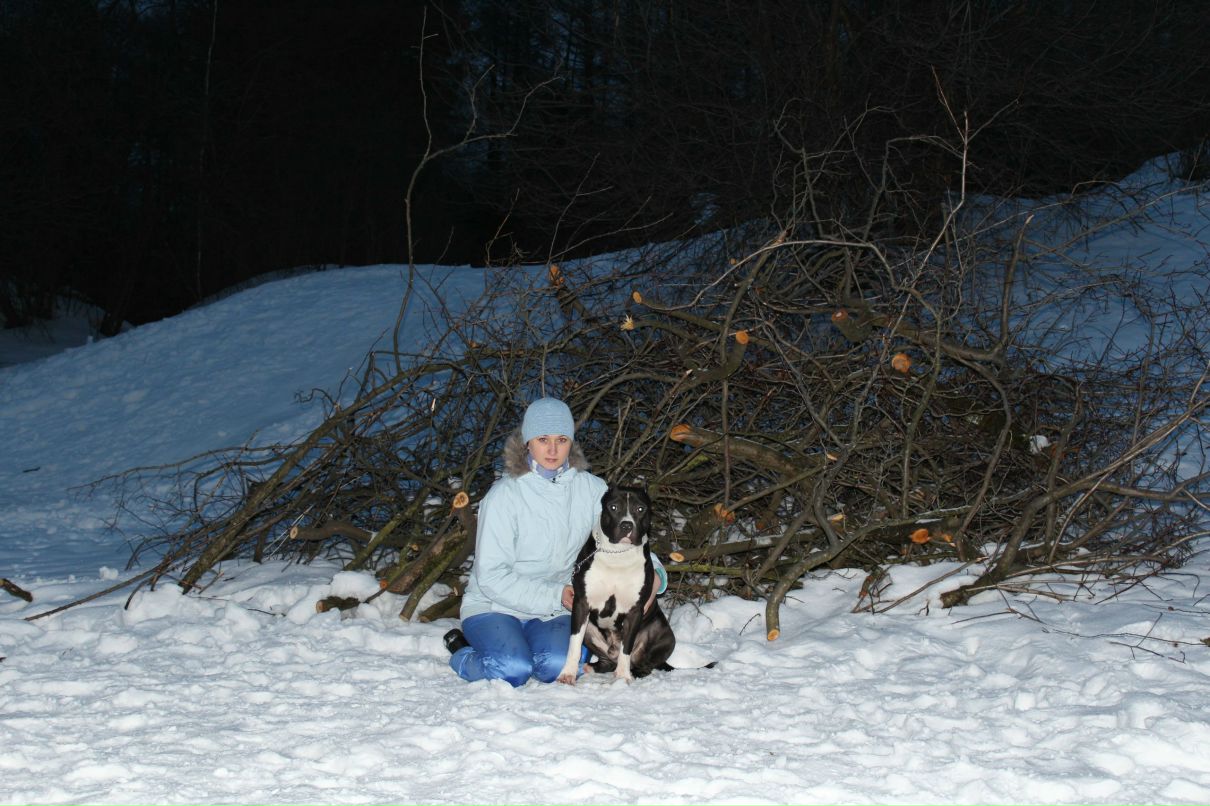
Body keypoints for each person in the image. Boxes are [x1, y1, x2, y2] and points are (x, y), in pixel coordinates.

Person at [443, 397, 666, 686]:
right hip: (493, 606)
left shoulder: (592, 490)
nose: (552, 449)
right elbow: (490, 576)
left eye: (561, 440)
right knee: (512, 669)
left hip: (556, 611)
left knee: (557, 666)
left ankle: (525, 646)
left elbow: (625, 538)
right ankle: (462, 652)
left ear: (571, 442)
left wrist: (654, 575)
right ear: (527, 443)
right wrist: (555, 594)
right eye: (542, 439)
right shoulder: (503, 497)